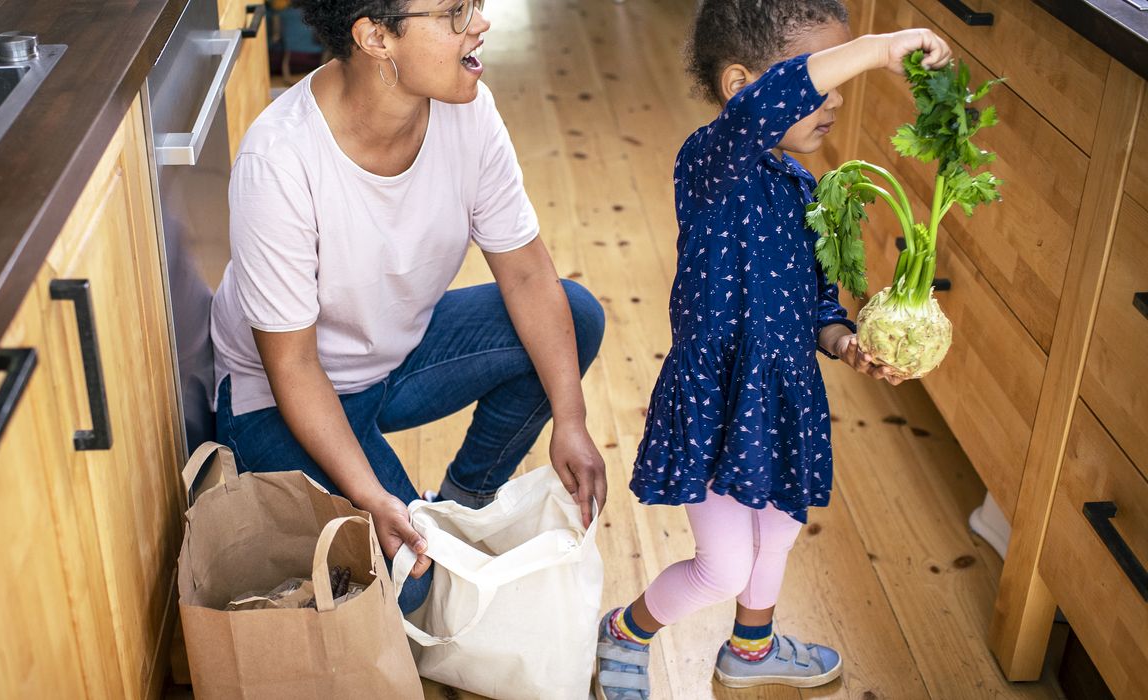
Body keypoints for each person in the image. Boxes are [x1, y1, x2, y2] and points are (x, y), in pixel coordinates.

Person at [593, 2, 948, 695]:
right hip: (723, 394)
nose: (833, 100)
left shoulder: (802, 185)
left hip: (784, 395)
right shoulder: (712, 161)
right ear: (740, 88)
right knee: (721, 567)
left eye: (835, 83)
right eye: (818, 84)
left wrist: (846, 342)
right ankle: (624, 633)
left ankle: (750, 651)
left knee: (780, 532)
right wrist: (878, 48)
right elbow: (768, 106)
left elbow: (817, 302)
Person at [210, 0, 608, 615]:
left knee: (574, 317)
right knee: (415, 582)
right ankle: (410, 517)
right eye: (454, 13)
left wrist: (571, 419)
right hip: (281, 399)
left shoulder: (468, 113)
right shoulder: (280, 160)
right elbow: (293, 366)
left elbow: (528, 273)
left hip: (395, 358)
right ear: (376, 38)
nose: (481, 23)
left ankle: (463, 503)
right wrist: (372, 498)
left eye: (475, 4)